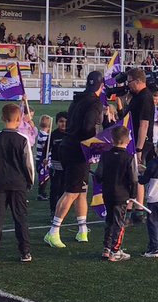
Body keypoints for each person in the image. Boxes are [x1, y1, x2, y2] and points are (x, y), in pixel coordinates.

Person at [46, 72, 105, 248]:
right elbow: (88, 126)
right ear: (101, 87)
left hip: (69, 146)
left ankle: (82, 229)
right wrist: (93, 145)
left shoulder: (77, 99)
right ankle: (53, 231)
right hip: (78, 150)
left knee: (81, 190)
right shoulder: (95, 102)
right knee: (72, 191)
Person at [0, 102, 35, 264]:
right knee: (20, 218)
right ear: (19, 119)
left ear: (2, 118)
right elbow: (29, 165)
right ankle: (25, 252)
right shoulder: (23, 139)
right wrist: (30, 182)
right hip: (18, 184)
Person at [98, 125, 137, 261]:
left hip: (107, 193)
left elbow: (98, 175)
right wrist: (133, 195)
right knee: (119, 222)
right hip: (122, 195)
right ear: (127, 141)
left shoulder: (105, 156)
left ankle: (106, 248)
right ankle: (116, 250)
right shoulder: (129, 158)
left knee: (109, 220)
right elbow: (133, 179)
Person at [124, 68, 157, 219]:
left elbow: (144, 124)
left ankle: (133, 209)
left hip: (139, 142)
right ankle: (137, 208)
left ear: (138, 81)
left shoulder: (145, 97)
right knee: (135, 175)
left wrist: (138, 148)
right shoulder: (138, 96)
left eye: (129, 81)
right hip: (136, 140)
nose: (128, 84)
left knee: (133, 175)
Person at [46, 111, 69, 215]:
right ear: (56, 122)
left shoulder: (71, 135)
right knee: (54, 189)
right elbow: (45, 150)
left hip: (68, 166)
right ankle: (53, 210)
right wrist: (44, 159)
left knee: (64, 190)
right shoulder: (53, 135)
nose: (63, 124)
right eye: (61, 121)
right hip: (55, 166)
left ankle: (61, 211)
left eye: (66, 122)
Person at [33, 114, 52, 201]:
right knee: (44, 177)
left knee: (44, 177)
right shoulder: (44, 136)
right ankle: (41, 193)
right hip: (42, 160)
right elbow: (45, 147)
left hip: (39, 159)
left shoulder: (41, 133)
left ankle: (42, 193)